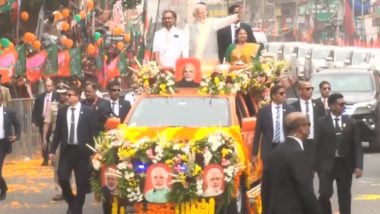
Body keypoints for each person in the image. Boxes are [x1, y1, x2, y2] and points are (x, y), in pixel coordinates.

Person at [261, 112, 320, 214]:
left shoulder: (273, 153)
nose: (310, 127)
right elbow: (305, 189)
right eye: (308, 124)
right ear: (301, 128)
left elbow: (265, 188)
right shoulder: (298, 154)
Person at [49, 87, 96, 214]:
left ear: (77, 96)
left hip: (82, 152)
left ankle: (76, 209)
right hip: (67, 150)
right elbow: (58, 132)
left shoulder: (88, 112)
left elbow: (93, 132)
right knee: (62, 177)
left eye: (70, 95)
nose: (67, 97)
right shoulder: (62, 111)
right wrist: (52, 151)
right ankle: (72, 201)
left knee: (81, 183)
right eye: (66, 95)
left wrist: (95, 151)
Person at [315, 93, 363, 214]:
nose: (343, 106)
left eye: (344, 104)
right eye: (340, 104)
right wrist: (316, 166)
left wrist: (358, 166)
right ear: (331, 106)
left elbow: (357, 145)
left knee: (345, 194)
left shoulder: (351, 122)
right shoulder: (321, 122)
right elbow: (316, 145)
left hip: (344, 165)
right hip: (326, 165)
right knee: (325, 193)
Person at [252, 85, 295, 163]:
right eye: (281, 93)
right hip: (269, 149)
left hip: (285, 147)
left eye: (285, 93)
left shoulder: (290, 110)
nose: (284, 95)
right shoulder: (263, 111)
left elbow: (295, 131)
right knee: (269, 173)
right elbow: (257, 134)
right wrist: (254, 154)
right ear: (273, 96)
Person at [43, 82, 70, 201]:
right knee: (57, 166)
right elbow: (47, 123)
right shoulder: (53, 106)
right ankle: (60, 190)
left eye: (64, 93)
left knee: (70, 165)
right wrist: (44, 138)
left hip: (70, 138)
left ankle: (68, 189)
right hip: (56, 138)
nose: (62, 96)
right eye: (60, 94)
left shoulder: (72, 106)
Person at [32, 78, 59, 166]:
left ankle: (54, 158)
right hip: (43, 121)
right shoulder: (40, 97)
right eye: (46, 86)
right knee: (44, 140)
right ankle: (45, 159)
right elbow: (35, 110)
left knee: (54, 140)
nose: (47, 88)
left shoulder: (57, 96)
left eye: (49, 86)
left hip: (54, 121)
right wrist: (34, 121)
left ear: (53, 86)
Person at [0, 92, 20, 200]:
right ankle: (4, 186)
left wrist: (16, 136)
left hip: (2, 143)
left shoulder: (8, 112)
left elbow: (17, 124)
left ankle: (2, 190)